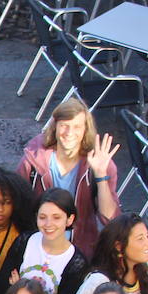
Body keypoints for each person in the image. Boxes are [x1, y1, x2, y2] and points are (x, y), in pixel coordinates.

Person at [17, 97, 120, 261]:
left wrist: (101, 175)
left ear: (86, 130)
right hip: (39, 246)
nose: (69, 133)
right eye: (64, 125)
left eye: (77, 127)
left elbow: (109, 217)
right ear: (55, 127)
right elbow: (16, 204)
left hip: (80, 250)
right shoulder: (33, 160)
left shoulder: (101, 163)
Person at [0, 188, 89, 294]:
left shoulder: (76, 263)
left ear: (70, 219)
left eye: (56, 217)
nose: (48, 224)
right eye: (42, 217)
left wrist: (19, 288)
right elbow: (1, 288)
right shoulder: (24, 241)